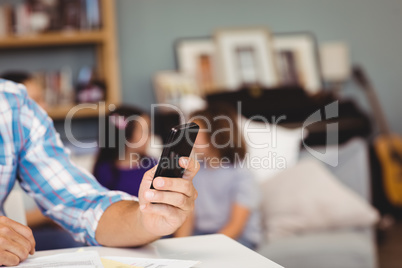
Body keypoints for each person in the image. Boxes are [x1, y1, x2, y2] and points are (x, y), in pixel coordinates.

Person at [0, 79, 199, 266]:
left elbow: (81, 202)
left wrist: (143, 220)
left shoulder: (15, 105)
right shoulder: (107, 169)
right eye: (143, 130)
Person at [175, 104, 261, 249]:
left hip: (237, 238)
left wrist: (205, 249)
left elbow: (236, 226)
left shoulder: (241, 174)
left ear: (217, 135)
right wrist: (179, 247)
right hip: (201, 234)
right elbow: (188, 217)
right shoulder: (194, 171)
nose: (190, 139)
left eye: (195, 133)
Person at [94, 106, 157, 196]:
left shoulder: (153, 165)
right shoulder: (104, 172)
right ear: (127, 135)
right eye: (144, 131)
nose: (150, 136)